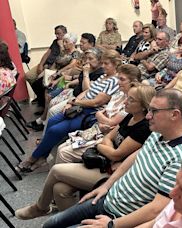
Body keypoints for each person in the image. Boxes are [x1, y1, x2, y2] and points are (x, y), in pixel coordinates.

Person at [35, 89, 182, 228]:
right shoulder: (158, 133)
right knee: (50, 224)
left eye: (154, 111)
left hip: (119, 217)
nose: (148, 115)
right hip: (108, 199)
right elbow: (133, 158)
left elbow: (157, 209)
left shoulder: (181, 158)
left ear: (174, 114)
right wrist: (106, 186)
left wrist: (112, 224)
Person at [15, 85, 154, 218]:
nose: (125, 101)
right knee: (60, 189)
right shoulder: (130, 117)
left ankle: (40, 207)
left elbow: (115, 154)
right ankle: (71, 222)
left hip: (112, 172)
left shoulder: (143, 127)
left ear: (143, 106)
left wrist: (102, 146)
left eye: (131, 99)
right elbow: (108, 137)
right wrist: (107, 146)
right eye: (127, 97)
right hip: (104, 161)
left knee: (56, 170)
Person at [16, 50, 121, 172]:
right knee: (52, 120)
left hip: (89, 113)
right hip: (80, 107)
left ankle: (31, 158)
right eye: (102, 63)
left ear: (115, 64)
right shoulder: (104, 76)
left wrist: (75, 102)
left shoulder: (114, 81)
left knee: (54, 130)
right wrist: (72, 101)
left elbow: (97, 102)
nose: (103, 66)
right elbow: (87, 91)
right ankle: (43, 157)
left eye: (106, 63)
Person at [55, 64, 142, 164]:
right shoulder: (118, 94)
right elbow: (102, 114)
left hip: (105, 135)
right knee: (61, 147)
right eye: (118, 78)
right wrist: (101, 117)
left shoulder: (133, 102)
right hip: (99, 128)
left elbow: (110, 122)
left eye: (122, 79)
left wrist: (100, 116)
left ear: (133, 82)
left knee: (63, 152)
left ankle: (65, 175)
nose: (118, 82)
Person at [27, 33, 82, 131]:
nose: (64, 44)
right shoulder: (63, 52)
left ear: (73, 43)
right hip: (60, 75)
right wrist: (51, 73)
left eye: (66, 42)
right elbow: (56, 63)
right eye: (64, 41)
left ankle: (43, 120)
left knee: (50, 93)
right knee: (45, 88)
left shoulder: (76, 53)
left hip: (65, 78)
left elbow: (70, 66)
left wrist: (58, 74)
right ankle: (43, 118)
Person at [46, 47, 104, 120]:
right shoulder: (89, 68)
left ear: (99, 60)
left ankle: (49, 125)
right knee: (51, 102)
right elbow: (80, 79)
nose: (87, 61)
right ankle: (44, 122)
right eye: (86, 58)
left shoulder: (100, 73)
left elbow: (86, 90)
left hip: (81, 99)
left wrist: (86, 73)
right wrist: (69, 84)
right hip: (73, 92)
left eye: (91, 59)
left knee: (53, 111)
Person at [25, 25, 67, 105]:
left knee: (40, 81)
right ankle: (39, 96)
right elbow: (47, 53)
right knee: (28, 76)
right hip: (46, 64)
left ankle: (43, 101)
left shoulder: (67, 43)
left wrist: (61, 46)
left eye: (59, 34)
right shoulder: (55, 41)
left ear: (65, 33)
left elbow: (62, 59)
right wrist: (41, 65)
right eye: (56, 34)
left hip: (54, 67)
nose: (57, 36)